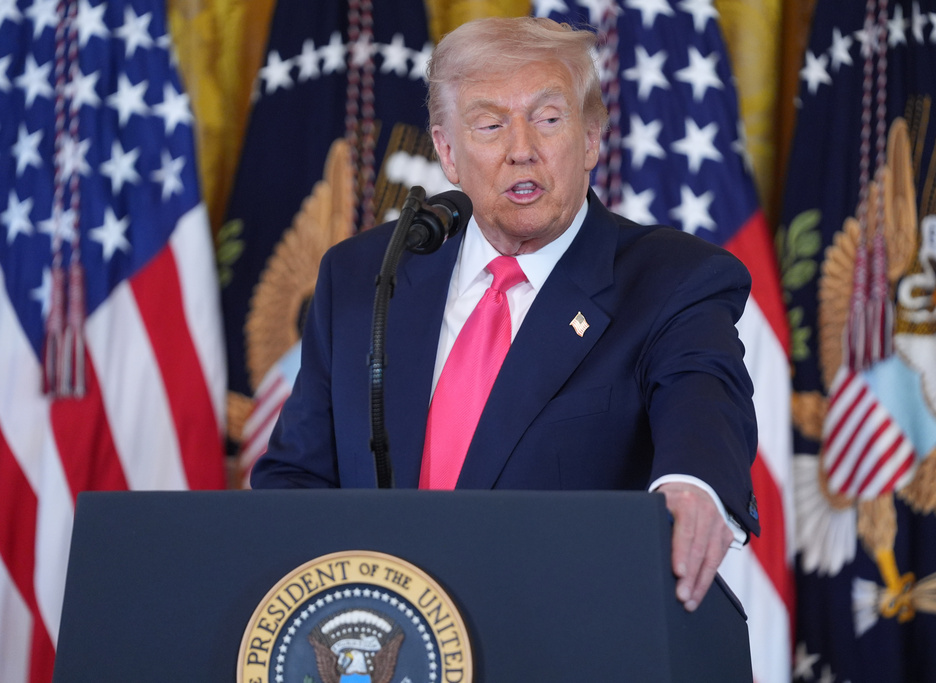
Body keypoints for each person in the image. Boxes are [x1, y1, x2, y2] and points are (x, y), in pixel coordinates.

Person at [251, 16, 760, 613]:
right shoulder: (364, 276)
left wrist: (693, 486)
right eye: (491, 125)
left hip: (565, 631)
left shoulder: (673, 279)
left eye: (548, 119)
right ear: (447, 152)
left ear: (591, 139)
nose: (522, 150)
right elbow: (296, 481)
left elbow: (705, 399)